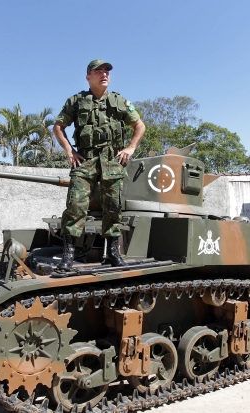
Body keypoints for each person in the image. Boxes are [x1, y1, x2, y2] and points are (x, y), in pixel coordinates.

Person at [52, 59, 145, 273]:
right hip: (85, 160)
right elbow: (58, 127)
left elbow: (139, 126)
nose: (104, 75)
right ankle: (68, 255)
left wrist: (130, 148)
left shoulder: (119, 101)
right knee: (75, 206)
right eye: (98, 71)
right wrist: (70, 151)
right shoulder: (76, 101)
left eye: (106, 72)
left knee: (113, 208)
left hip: (112, 161)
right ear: (88, 77)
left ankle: (113, 253)